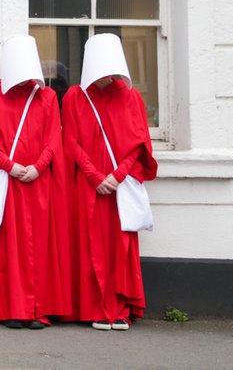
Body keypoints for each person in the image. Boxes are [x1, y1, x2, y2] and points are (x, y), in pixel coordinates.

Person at [62, 33, 158, 331]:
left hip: (119, 185)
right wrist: (95, 175)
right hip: (89, 185)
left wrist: (115, 176)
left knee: (119, 247)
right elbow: (71, 141)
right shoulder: (75, 97)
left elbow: (139, 143)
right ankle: (92, 308)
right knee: (88, 243)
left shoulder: (131, 97)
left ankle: (118, 308)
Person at [0, 34, 71, 329]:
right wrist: (12, 166)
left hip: (36, 181)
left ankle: (36, 308)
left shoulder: (45, 98)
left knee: (38, 247)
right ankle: (12, 308)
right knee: (10, 248)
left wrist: (38, 167)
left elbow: (53, 137)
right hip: (10, 181)